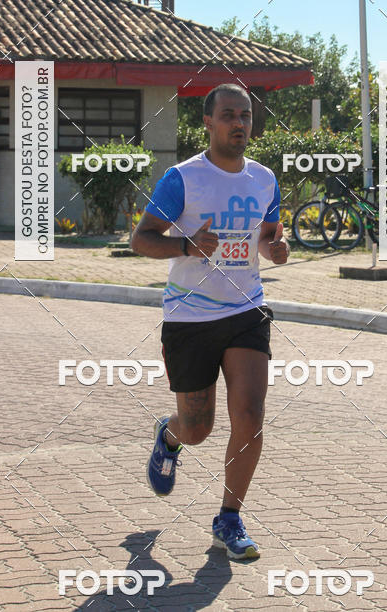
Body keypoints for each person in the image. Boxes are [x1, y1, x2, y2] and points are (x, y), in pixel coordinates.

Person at [131, 83, 289, 561]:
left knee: (250, 417)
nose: (239, 123)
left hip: (246, 311)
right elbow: (142, 239)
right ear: (208, 121)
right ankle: (171, 435)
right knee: (199, 427)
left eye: (245, 115)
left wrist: (276, 249)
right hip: (189, 316)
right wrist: (185, 246)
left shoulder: (264, 179)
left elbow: (266, 237)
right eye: (228, 115)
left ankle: (229, 518)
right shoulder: (183, 179)